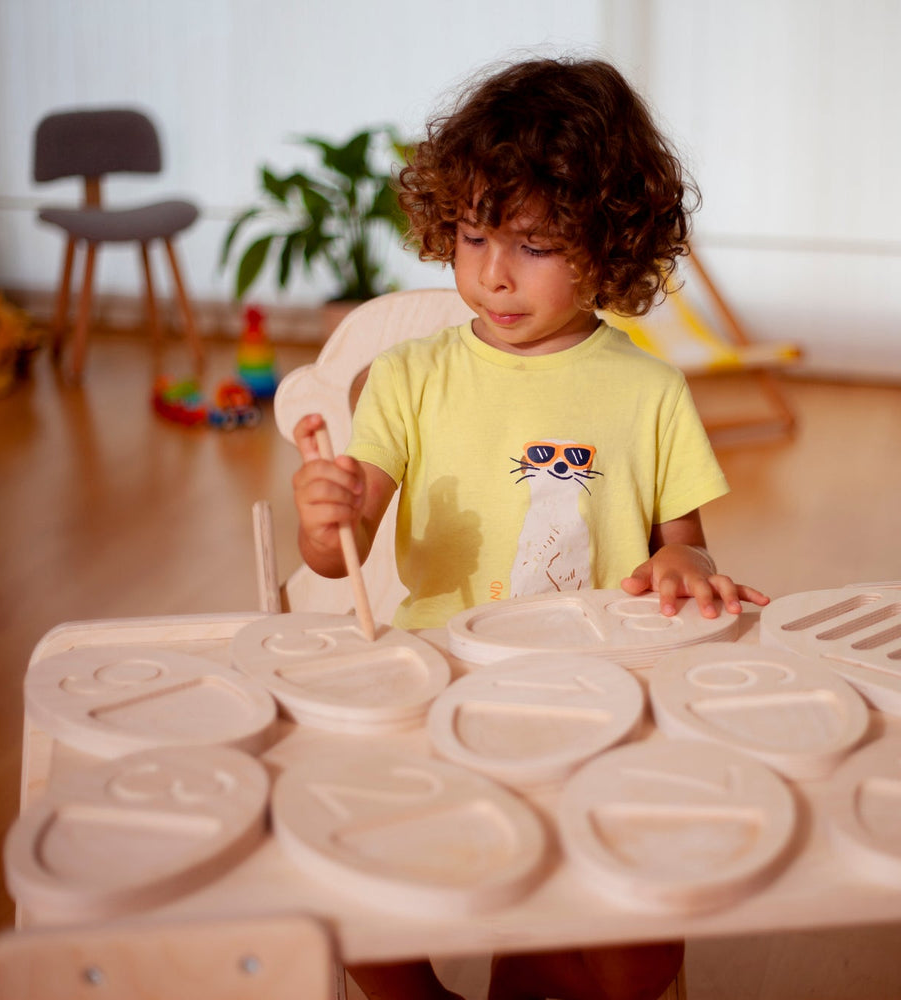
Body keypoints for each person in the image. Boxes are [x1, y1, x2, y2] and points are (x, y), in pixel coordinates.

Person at [291, 55, 770, 1000]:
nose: (494, 275)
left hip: (595, 708)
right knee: (349, 893)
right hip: (438, 693)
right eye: (472, 237)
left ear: (609, 242)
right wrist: (325, 515)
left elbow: (689, 543)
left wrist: (683, 566)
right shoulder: (411, 378)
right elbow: (333, 552)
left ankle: (538, 964)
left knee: (641, 955)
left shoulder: (650, 391)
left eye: (535, 245)